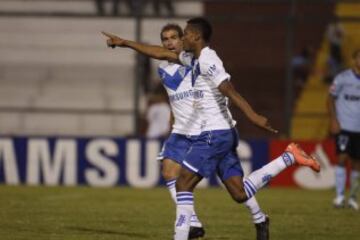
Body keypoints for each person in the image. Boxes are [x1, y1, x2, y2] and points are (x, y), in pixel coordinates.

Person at [101, 18, 321, 240]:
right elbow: (160, 53)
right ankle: (288, 158)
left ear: (195, 37)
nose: (181, 38)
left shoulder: (208, 60)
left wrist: (252, 115)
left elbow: (229, 90)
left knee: (183, 183)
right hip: (221, 134)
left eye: (185, 34)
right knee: (238, 192)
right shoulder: (191, 58)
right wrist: (125, 43)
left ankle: (183, 235)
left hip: (213, 134)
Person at [328, 48, 360, 211]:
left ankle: (353, 198)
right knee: (342, 158)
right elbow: (331, 99)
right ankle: (340, 196)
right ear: (355, 59)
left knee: (356, 164)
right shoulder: (343, 78)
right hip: (345, 126)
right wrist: (334, 120)